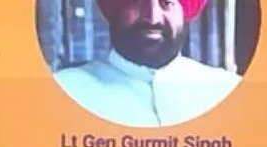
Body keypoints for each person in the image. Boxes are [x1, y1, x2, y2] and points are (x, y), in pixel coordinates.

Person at [53, 0, 241, 127]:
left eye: (167, 3)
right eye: (138, 2)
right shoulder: (63, 91)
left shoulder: (230, 92)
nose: (153, 18)